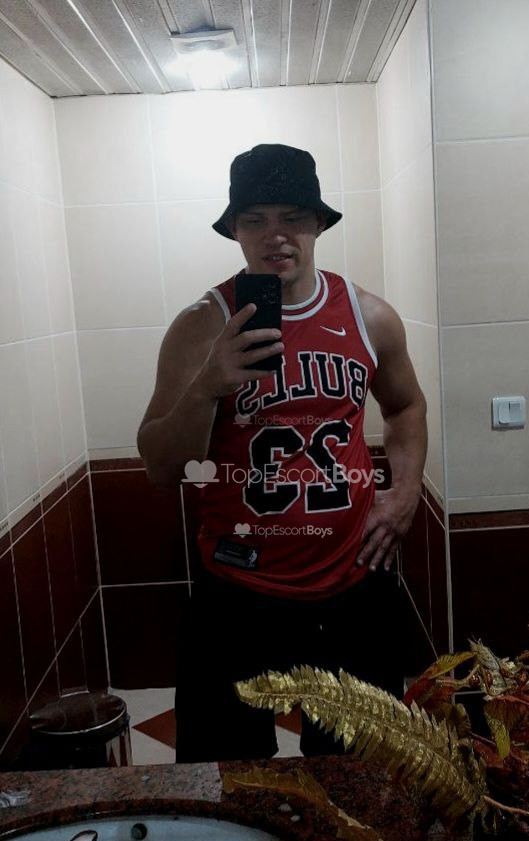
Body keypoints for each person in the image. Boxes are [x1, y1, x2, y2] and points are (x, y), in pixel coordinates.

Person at [137, 144, 427, 763]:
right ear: (235, 232)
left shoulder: (370, 317)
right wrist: (207, 385)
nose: (276, 235)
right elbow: (161, 467)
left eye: (292, 216)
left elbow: (405, 408)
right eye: (255, 220)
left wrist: (403, 495)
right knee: (226, 778)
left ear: (318, 223)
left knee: (361, 776)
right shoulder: (201, 326)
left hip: (352, 585)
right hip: (236, 590)